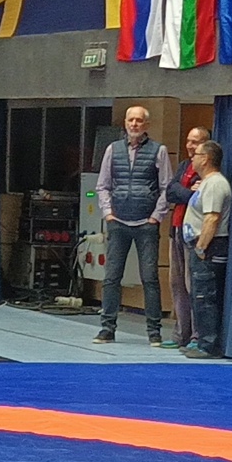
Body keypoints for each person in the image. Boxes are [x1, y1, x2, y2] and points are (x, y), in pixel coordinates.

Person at [93, 106, 172, 345]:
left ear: (146, 125)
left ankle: (154, 331)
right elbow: (103, 185)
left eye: (139, 120)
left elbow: (166, 187)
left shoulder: (159, 150)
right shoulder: (112, 149)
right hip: (118, 223)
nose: (134, 124)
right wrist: (108, 213)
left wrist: (156, 217)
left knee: (150, 278)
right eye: (131, 120)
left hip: (146, 224)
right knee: (111, 277)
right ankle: (107, 328)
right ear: (125, 123)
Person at [183, 140, 231, 360]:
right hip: (200, 246)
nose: (192, 157)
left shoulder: (215, 184)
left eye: (197, 154)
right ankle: (202, 341)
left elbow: (212, 218)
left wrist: (201, 247)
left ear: (206, 159)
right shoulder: (205, 183)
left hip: (209, 248)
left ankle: (209, 346)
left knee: (205, 297)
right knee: (198, 296)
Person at [163, 125, 208, 351]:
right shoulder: (183, 166)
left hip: (193, 233)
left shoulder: (207, 171)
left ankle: (197, 336)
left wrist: (185, 193)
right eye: (189, 141)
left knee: (193, 284)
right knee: (177, 283)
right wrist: (189, 192)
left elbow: (201, 198)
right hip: (176, 229)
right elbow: (170, 192)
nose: (190, 146)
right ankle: (181, 333)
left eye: (195, 142)